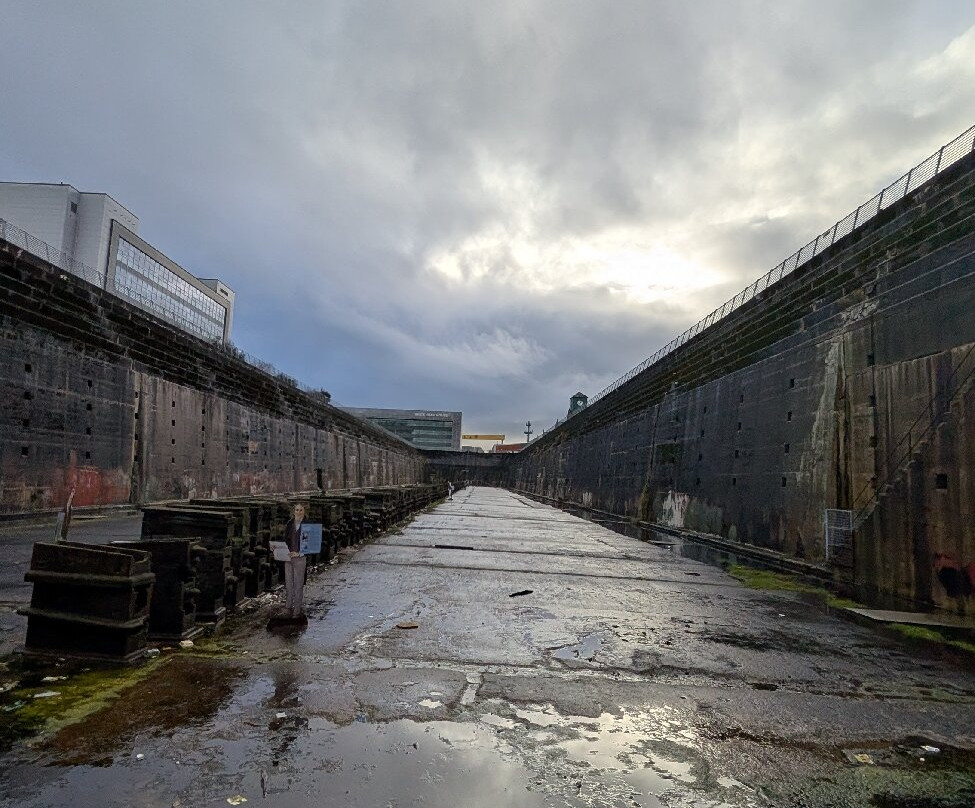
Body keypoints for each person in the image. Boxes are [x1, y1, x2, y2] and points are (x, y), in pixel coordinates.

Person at [282, 503, 307, 618]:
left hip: (300, 558)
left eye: (301, 510)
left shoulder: (308, 525)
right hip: (288, 557)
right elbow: (285, 539)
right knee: (289, 584)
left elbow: (312, 544)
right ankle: (288, 607)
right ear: (294, 512)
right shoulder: (289, 524)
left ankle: (297, 610)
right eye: (297, 510)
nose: (299, 512)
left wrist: (300, 552)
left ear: (304, 512)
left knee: (298, 584)